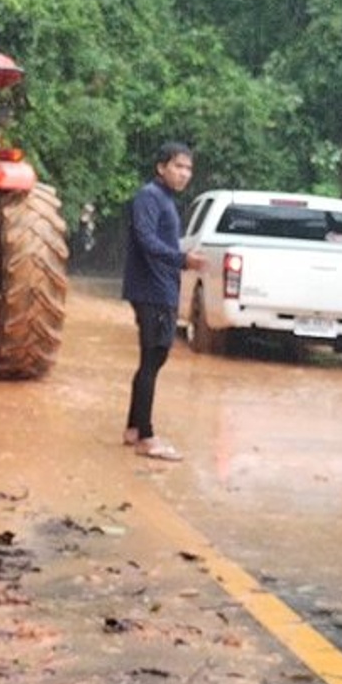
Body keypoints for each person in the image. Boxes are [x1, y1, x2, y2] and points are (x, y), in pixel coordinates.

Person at [120, 141, 207, 460]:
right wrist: (184, 260)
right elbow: (145, 240)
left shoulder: (165, 200)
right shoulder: (149, 196)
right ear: (161, 167)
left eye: (188, 168)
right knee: (152, 358)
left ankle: (133, 428)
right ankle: (146, 436)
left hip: (161, 288)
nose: (184, 174)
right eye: (178, 166)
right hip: (150, 290)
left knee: (153, 360)